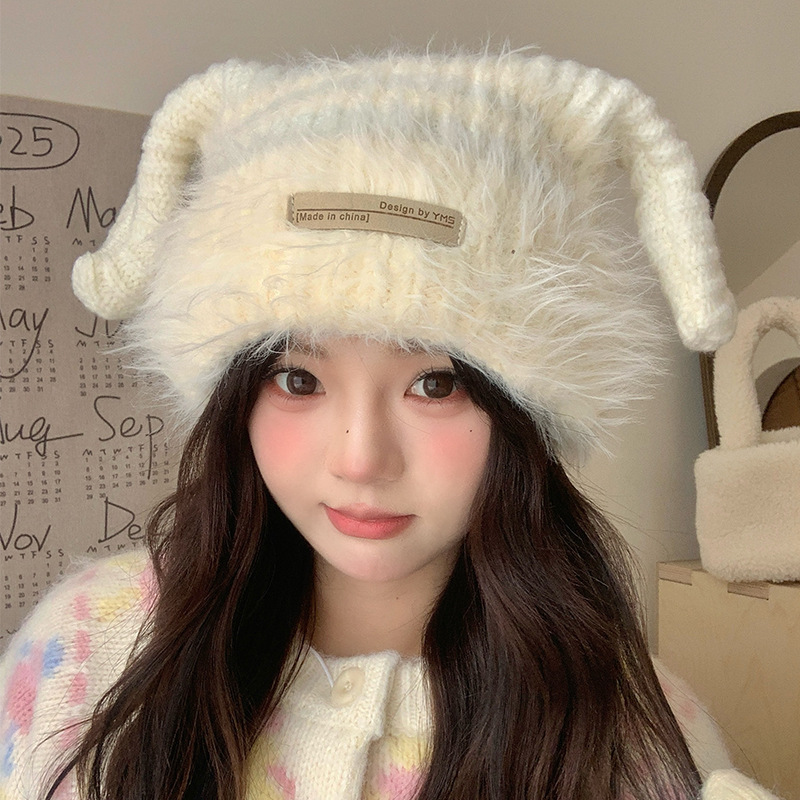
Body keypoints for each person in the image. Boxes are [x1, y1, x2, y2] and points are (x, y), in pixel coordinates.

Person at [0, 49, 782, 800]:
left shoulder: (632, 728)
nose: (361, 460)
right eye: (299, 379)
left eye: (436, 384)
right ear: (237, 399)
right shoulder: (83, 653)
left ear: (526, 416)